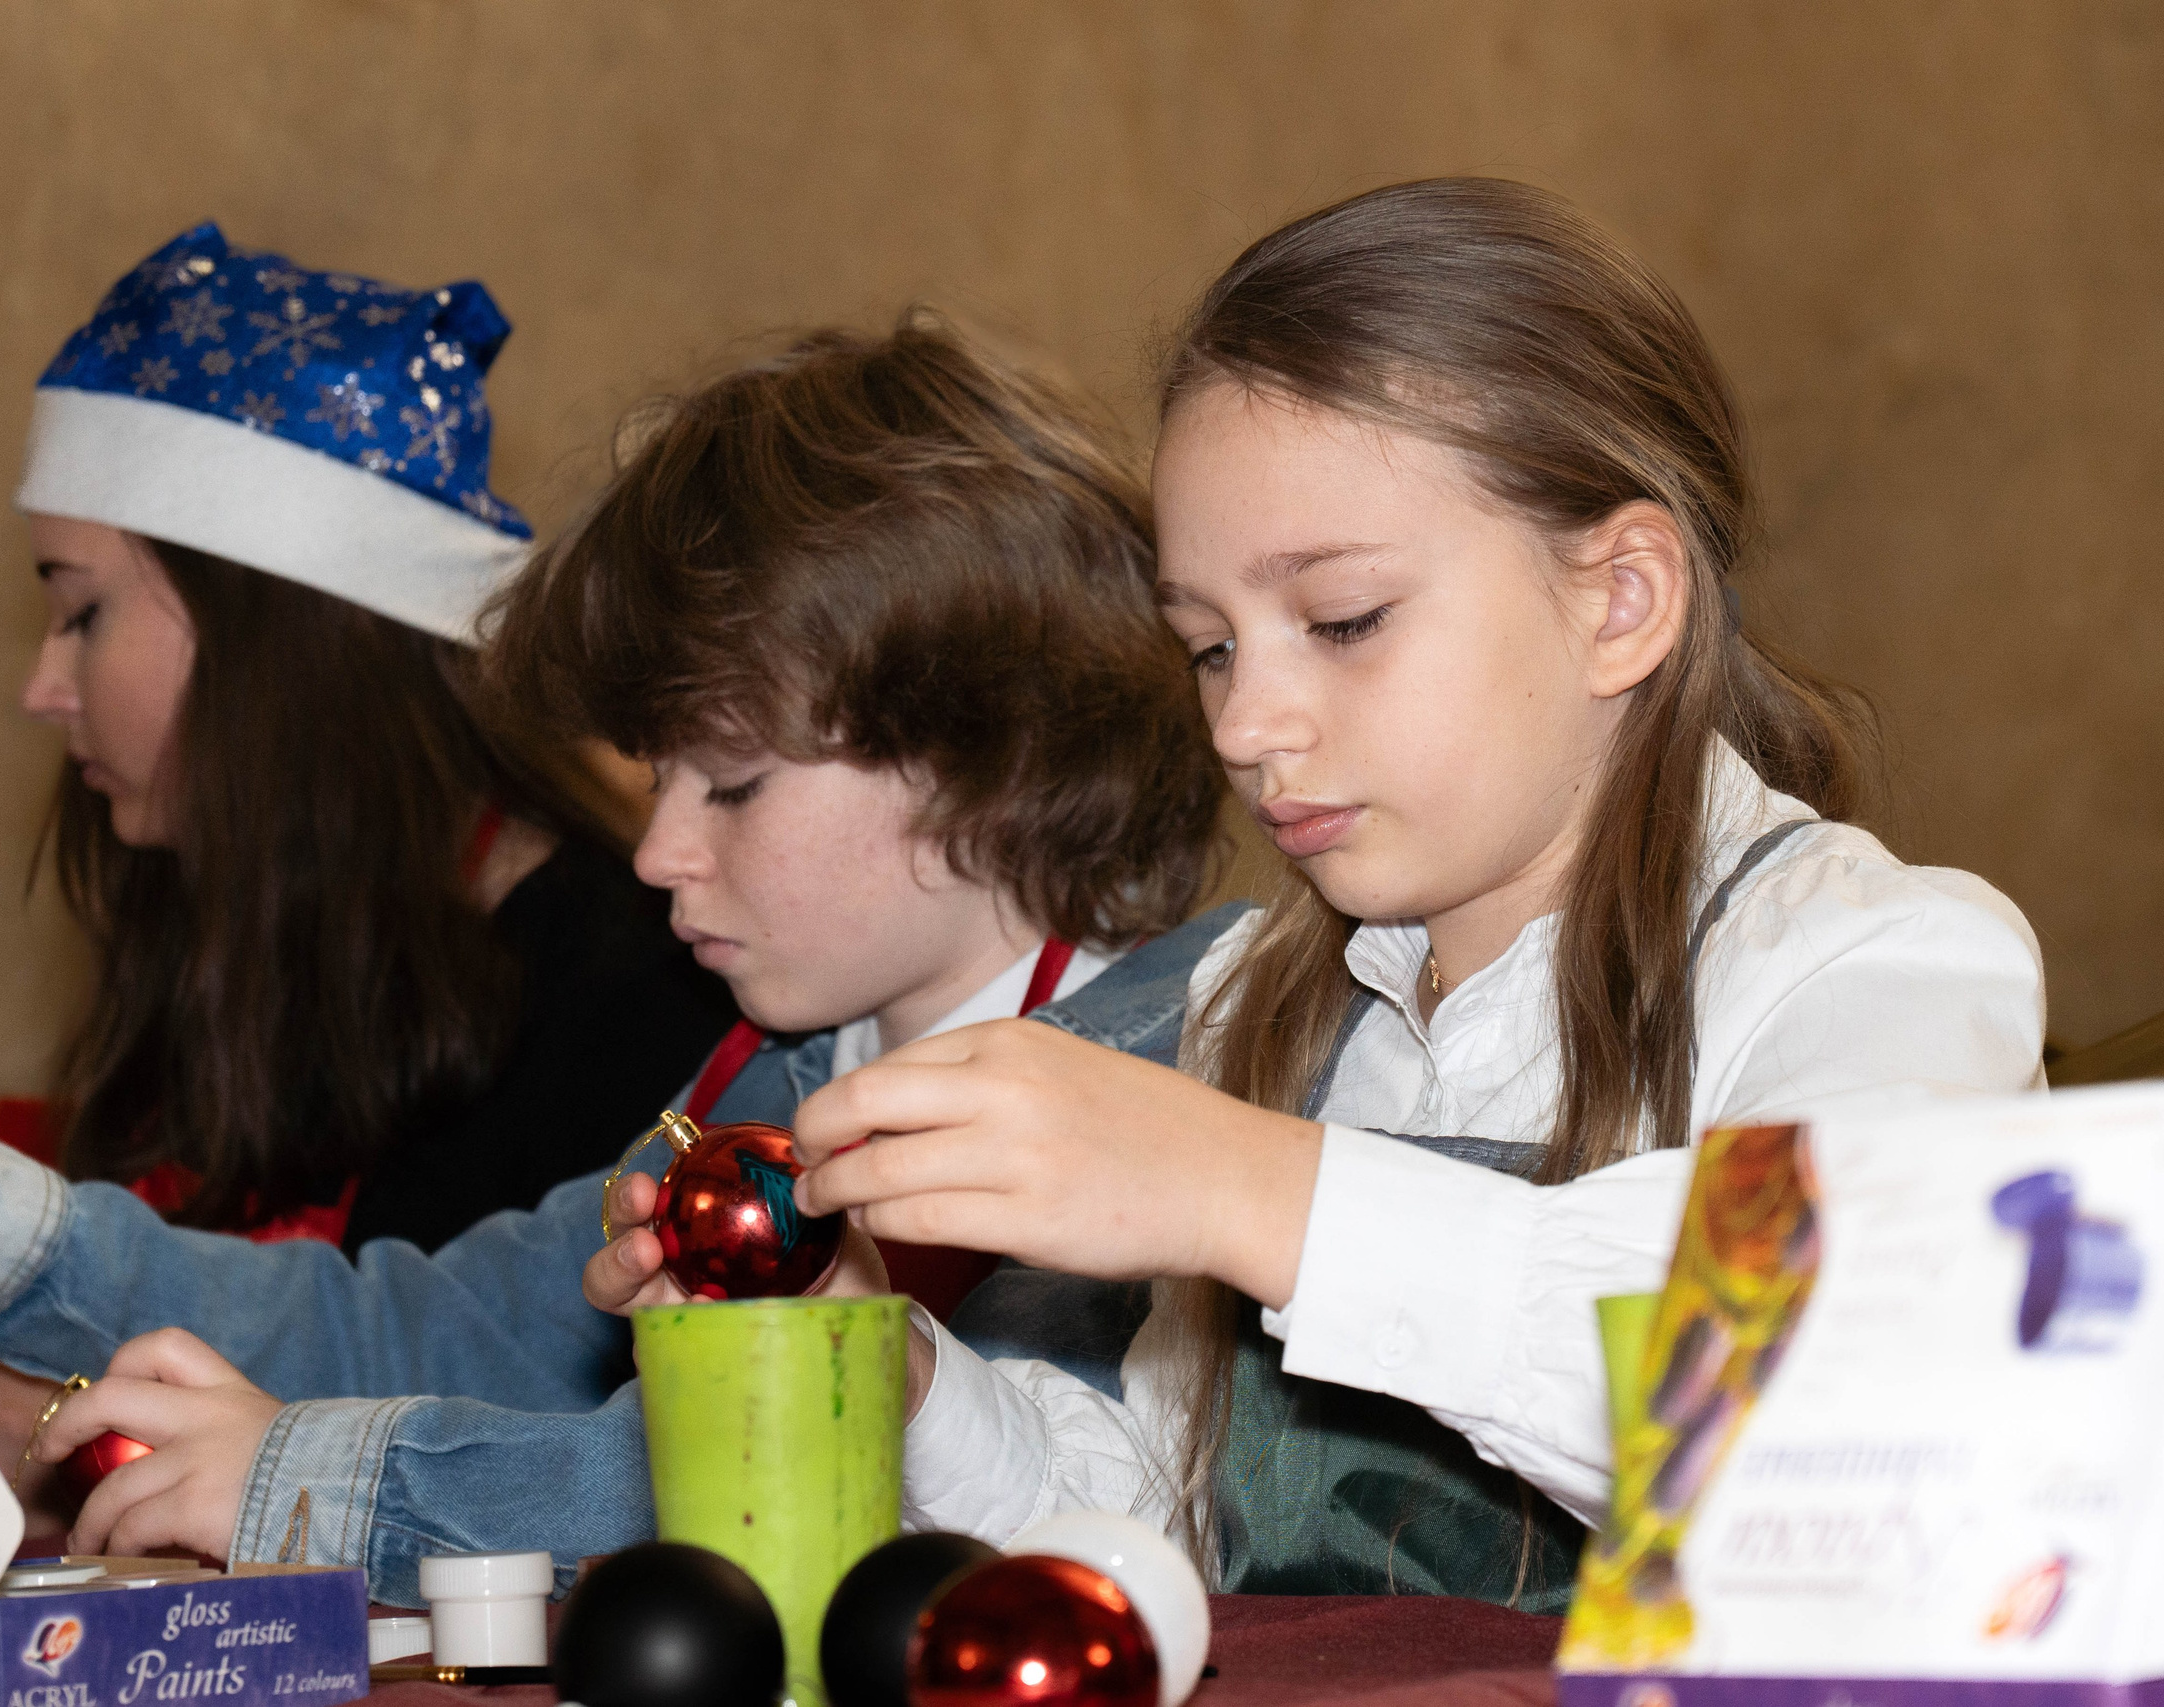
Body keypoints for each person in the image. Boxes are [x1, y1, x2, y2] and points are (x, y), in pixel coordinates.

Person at [0, 317, 1232, 1604]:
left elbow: (819, 1467)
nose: (661, 848)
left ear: (990, 762)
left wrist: (321, 1480)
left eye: (732, 782)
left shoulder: (1176, 1066)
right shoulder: (777, 1074)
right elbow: (444, 1326)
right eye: (658, 773)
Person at [632, 179, 2043, 1606]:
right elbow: (1158, 1544)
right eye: (1211, 646)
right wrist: (889, 1355)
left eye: (1342, 620)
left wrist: (1251, 1189)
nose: (1247, 723)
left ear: (1620, 599)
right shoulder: (1267, 1008)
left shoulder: (1880, 969)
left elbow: (1851, 1426)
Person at [4, 222, 733, 1248]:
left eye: (83, 615)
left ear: (271, 639)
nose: (43, 688)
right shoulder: (221, 923)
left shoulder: (629, 1008)